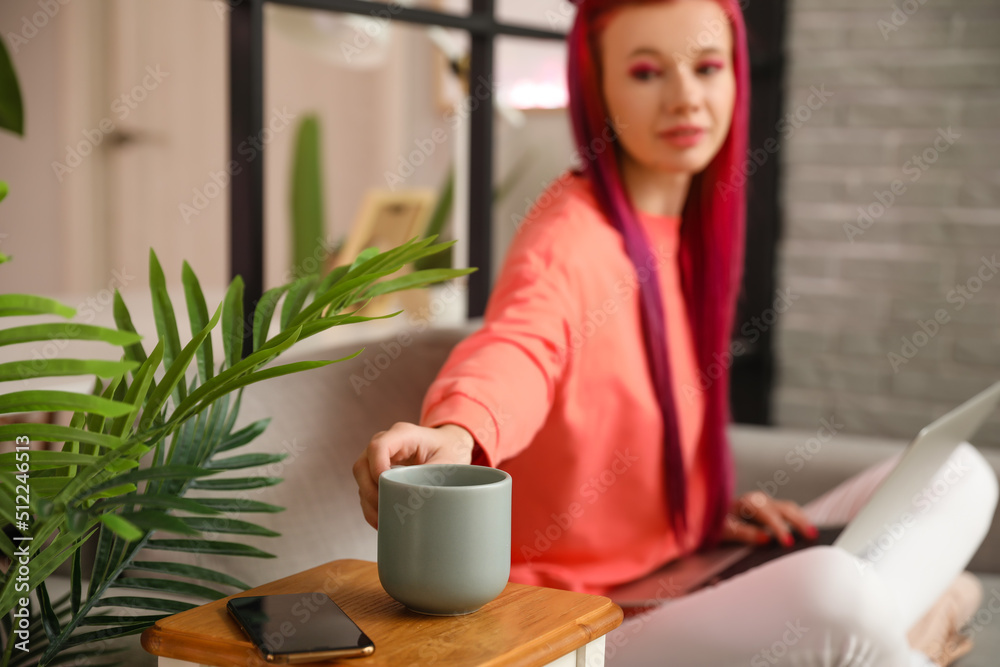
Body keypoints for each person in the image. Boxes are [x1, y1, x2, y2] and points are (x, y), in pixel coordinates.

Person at [353, 1, 997, 664]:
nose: (686, 98)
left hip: (683, 567)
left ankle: (892, 634)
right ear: (596, 88)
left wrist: (696, 516)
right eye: (645, 72)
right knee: (840, 593)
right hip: (583, 621)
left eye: (708, 67)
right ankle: (916, 627)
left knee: (961, 472)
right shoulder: (568, 237)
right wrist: (458, 431)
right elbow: (519, 344)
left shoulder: (689, 234)